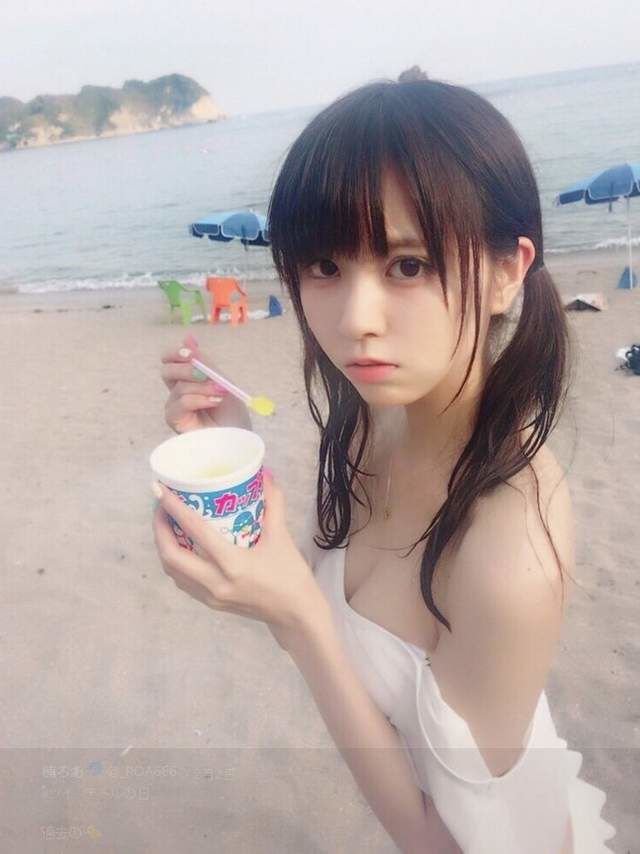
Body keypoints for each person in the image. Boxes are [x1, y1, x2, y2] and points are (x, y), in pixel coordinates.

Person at [153, 79, 617, 852]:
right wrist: (234, 456)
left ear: (507, 271)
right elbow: (316, 608)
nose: (354, 320)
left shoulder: (511, 552)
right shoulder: (371, 420)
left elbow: (448, 841)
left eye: (408, 265)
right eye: (324, 265)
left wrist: (298, 620)